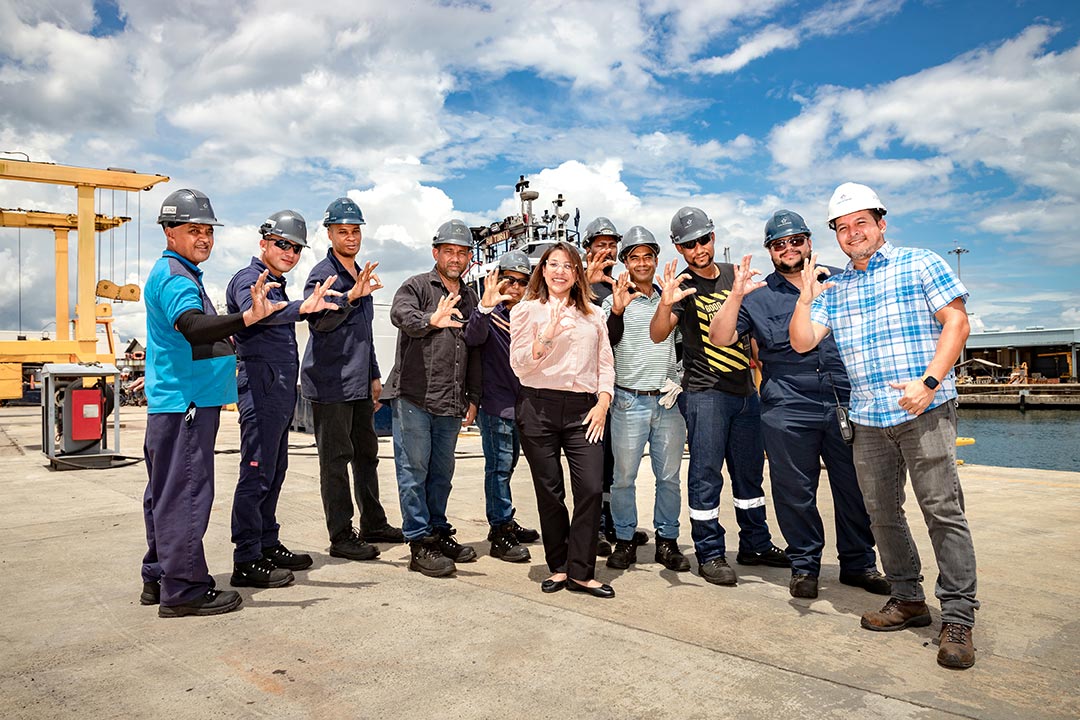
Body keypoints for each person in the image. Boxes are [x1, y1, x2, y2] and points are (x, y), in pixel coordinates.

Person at [789, 182, 978, 669]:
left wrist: (930, 382)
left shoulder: (921, 263)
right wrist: (805, 298)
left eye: (861, 223)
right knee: (881, 514)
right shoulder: (838, 287)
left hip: (924, 408)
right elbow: (804, 341)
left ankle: (957, 616)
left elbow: (957, 323)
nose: (852, 233)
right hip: (868, 418)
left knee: (941, 509)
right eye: (843, 227)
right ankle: (908, 598)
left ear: (881, 224)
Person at [708, 209, 889, 599]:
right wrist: (736, 293)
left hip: (848, 399)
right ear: (770, 251)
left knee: (854, 488)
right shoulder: (758, 297)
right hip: (788, 404)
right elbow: (721, 337)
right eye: (778, 244)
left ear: (809, 242)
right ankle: (805, 565)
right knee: (794, 490)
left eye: (795, 241)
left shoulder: (845, 281)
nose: (788, 249)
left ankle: (859, 564)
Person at [141, 189, 281, 618]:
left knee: (164, 494)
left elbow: (198, 332)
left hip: (176, 402)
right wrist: (246, 318)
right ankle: (183, 589)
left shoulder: (179, 273)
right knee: (186, 493)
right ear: (169, 232)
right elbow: (192, 327)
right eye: (192, 230)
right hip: (186, 403)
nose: (203, 238)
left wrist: (229, 334)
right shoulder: (176, 277)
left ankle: (158, 575)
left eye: (207, 230)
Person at [649, 206, 787, 587]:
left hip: (745, 391)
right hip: (705, 393)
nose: (699, 249)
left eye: (704, 240)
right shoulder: (681, 285)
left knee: (749, 475)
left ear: (713, 237)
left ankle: (755, 544)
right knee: (706, 475)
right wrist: (665, 303)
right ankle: (709, 552)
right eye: (689, 244)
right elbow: (659, 334)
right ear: (678, 248)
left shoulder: (732, 276)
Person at [226, 210, 341, 588]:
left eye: (295, 247)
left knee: (274, 471)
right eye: (282, 244)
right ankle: (247, 557)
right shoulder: (249, 280)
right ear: (264, 243)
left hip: (277, 391)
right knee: (257, 473)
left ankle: (266, 542)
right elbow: (256, 313)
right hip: (260, 389)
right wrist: (302, 309)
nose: (290, 252)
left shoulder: (275, 282)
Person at [510, 242, 616, 598]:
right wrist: (547, 335)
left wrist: (603, 403)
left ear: (577, 274)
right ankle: (559, 567)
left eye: (568, 266)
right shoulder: (525, 310)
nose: (559, 271)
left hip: (585, 410)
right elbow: (520, 364)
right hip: (537, 406)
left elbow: (605, 364)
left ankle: (582, 572)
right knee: (550, 491)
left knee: (590, 488)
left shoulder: (594, 313)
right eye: (553, 264)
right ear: (542, 269)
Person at [302, 197, 401, 564]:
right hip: (330, 384)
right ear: (329, 233)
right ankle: (342, 535)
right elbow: (319, 321)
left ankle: (374, 522)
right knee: (335, 460)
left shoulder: (360, 274)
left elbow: (365, 334)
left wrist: (375, 375)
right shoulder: (322, 276)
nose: (351, 237)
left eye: (355, 230)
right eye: (343, 231)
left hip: (359, 382)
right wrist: (348, 296)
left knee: (367, 456)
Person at [382, 219, 482, 577]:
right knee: (413, 470)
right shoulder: (417, 286)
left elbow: (474, 349)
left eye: (462, 252)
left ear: (469, 257)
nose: (455, 258)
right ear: (436, 252)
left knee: (442, 473)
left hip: (451, 401)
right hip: (414, 397)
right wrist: (432, 319)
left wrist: (473, 396)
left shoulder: (470, 298)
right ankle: (419, 542)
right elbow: (400, 314)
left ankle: (438, 531)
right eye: (449, 251)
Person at [602, 227, 690, 573]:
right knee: (623, 477)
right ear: (625, 263)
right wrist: (618, 311)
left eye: (648, 256)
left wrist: (679, 379)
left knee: (668, 477)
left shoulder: (670, 296)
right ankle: (624, 540)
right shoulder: (613, 300)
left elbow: (684, 345)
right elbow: (606, 344)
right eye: (634, 257)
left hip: (667, 402)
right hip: (628, 400)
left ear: (656, 260)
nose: (642, 263)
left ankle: (667, 541)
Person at [463, 250, 540, 562]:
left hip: (523, 406)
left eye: (523, 282)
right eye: (510, 279)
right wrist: (485, 304)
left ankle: (506, 518)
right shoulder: (487, 315)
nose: (516, 287)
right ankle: (499, 533)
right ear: (497, 278)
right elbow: (471, 337)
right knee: (497, 468)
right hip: (495, 406)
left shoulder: (530, 315)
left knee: (508, 467)